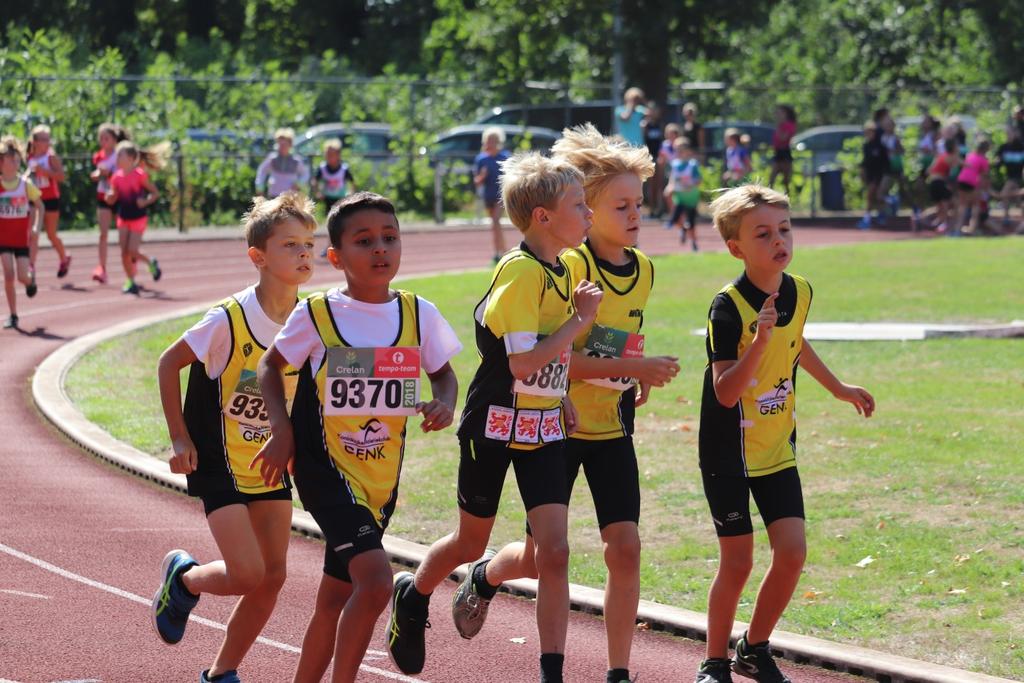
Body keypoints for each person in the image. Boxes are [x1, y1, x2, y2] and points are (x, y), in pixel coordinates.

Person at [447, 125, 680, 683]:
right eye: (619, 205)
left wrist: (632, 373)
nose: (634, 215)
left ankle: (618, 673)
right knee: (540, 558)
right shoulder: (565, 266)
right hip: (553, 422)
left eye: (638, 204)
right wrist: (631, 367)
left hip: (610, 427)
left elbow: (616, 337)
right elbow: (554, 358)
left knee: (624, 549)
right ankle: (485, 576)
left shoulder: (643, 270)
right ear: (586, 210)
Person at [385, 152, 602, 683]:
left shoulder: (568, 265)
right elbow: (522, 361)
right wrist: (580, 322)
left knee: (553, 552)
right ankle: (412, 596)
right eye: (579, 204)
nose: (590, 212)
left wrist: (562, 394)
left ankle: (551, 672)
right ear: (542, 218)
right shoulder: (521, 272)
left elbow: (548, 359)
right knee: (469, 542)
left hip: (543, 426)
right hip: (494, 422)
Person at [254, 191, 461, 683]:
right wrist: (281, 429)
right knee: (374, 583)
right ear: (336, 256)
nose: (380, 249)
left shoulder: (418, 313)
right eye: (364, 241)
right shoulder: (318, 315)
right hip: (324, 468)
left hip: (380, 478)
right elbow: (268, 366)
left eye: (390, 238)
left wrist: (444, 402)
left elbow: (445, 375)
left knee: (335, 597)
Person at [694, 184, 875, 683]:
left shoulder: (800, 290)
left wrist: (837, 387)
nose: (779, 240)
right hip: (728, 451)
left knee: (792, 552)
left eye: (784, 229)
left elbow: (796, 343)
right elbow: (727, 391)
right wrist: (760, 341)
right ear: (737, 247)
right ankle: (713, 663)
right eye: (763, 233)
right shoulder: (726, 308)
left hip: (776, 446)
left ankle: (753, 648)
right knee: (738, 561)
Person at [151, 193, 317, 683]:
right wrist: (179, 438)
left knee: (274, 576)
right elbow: (167, 364)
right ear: (258, 257)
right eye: (291, 245)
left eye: (309, 243)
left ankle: (222, 672)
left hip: (269, 462)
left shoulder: (311, 319)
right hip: (219, 460)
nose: (304, 253)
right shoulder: (229, 319)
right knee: (247, 574)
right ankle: (184, 580)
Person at [105, 139, 169, 294]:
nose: (117, 159)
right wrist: (110, 197)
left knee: (132, 251)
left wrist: (145, 201)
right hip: (123, 216)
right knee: (123, 252)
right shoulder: (116, 177)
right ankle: (131, 281)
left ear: (130, 158)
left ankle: (150, 262)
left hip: (138, 217)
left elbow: (155, 193)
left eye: (120, 155)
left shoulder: (139, 175)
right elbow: (113, 196)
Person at [0, 135, 42, 329]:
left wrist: (36, 227)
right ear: (1, 163)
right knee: (8, 275)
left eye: (18, 160)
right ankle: (13, 314)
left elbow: (40, 206)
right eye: (11, 160)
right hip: (3, 240)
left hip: (21, 241)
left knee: (21, 277)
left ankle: (30, 281)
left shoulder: (25, 186)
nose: (16, 163)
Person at [25, 125, 70, 279]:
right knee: (32, 233)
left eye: (48, 139)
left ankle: (64, 258)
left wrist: (44, 172)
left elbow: (62, 177)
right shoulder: (29, 157)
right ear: (35, 142)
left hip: (50, 199)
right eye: (43, 139)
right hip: (34, 198)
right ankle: (31, 266)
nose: (47, 142)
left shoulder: (51, 158)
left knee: (51, 235)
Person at [89, 122, 128, 284]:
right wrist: (97, 175)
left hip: (120, 197)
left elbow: (124, 174)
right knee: (103, 234)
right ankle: (102, 268)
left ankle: (129, 266)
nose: (103, 141)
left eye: (107, 138)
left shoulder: (120, 155)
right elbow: (96, 173)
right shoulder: (98, 156)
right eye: (101, 138)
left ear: (114, 140)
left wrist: (110, 173)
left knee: (123, 238)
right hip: (103, 196)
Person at [473, 126, 512, 263]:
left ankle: (504, 252)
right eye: (488, 140)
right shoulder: (481, 159)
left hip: (501, 196)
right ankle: (498, 252)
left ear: (498, 141)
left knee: (496, 221)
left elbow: (512, 177)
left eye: (493, 140)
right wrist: (482, 176)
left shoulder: (505, 157)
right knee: (494, 225)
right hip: (488, 196)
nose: (490, 143)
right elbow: (477, 182)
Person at [668, 138, 703, 251]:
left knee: (691, 222)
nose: (678, 152)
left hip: (691, 197)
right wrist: (670, 187)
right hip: (679, 197)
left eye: (681, 150)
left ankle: (694, 243)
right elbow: (672, 179)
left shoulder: (692, 165)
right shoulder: (674, 164)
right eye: (677, 150)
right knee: (676, 217)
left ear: (688, 151)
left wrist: (690, 184)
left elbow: (699, 180)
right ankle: (683, 229)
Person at [951, 137, 991, 236]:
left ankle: (957, 229)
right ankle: (972, 228)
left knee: (962, 205)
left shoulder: (970, 155)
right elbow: (984, 176)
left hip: (961, 180)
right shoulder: (983, 160)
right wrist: (984, 189)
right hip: (971, 182)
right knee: (976, 205)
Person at [255, 128, 309, 199]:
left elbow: (305, 174)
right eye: (280, 144)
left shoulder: (296, 160)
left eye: (284, 144)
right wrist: (260, 187)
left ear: (290, 145)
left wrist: (298, 184)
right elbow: (262, 171)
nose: (282, 147)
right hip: (274, 194)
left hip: (290, 196)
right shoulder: (272, 158)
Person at [858, 121, 889, 229]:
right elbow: (865, 161)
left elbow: (885, 163)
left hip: (879, 175)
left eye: (869, 132)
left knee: (871, 195)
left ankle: (867, 218)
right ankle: (882, 213)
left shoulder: (880, 146)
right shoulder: (866, 146)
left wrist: (885, 176)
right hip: (870, 175)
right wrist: (862, 171)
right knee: (875, 197)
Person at [925, 138, 960, 233]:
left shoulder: (940, 156)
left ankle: (939, 222)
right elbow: (964, 165)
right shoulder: (952, 157)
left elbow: (928, 171)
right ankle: (947, 224)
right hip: (939, 182)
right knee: (951, 204)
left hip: (933, 182)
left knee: (940, 205)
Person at [312, 138, 355, 212]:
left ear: (338, 155)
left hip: (341, 198)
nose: (329, 157)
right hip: (327, 198)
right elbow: (315, 180)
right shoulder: (322, 168)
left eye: (332, 154)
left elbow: (352, 182)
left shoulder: (344, 168)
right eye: (327, 154)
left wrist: (351, 193)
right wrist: (317, 192)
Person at [995, 125, 1023, 226]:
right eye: (1007, 134)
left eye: (1010, 133)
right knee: (1017, 199)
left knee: (1004, 193)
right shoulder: (1004, 147)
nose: (1008, 135)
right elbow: (999, 161)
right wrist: (997, 162)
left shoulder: (1021, 147)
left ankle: (1006, 217)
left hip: (1017, 177)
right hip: (1009, 176)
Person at [768, 106, 797, 197]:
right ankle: (768, 199)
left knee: (786, 181)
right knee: (771, 179)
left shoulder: (789, 125)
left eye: (780, 113)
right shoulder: (779, 125)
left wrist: (779, 127)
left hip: (785, 153)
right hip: (777, 153)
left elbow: (783, 138)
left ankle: (788, 201)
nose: (778, 115)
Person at [659, 123, 682, 222]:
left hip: (681, 174)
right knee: (668, 194)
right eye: (668, 134)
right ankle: (673, 215)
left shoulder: (681, 144)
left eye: (672, 134)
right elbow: (662, 159)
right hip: (670, 173)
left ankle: (681, 215)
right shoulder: (665, 145)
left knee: (678, 195)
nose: (670, 136)